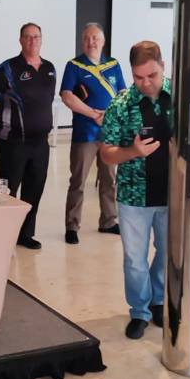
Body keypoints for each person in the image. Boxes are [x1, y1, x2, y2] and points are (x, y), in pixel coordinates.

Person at [99, 41, 173, 339]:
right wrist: (133, 151)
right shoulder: (120, 104)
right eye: (139, 77)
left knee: (168, 253)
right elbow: (106, 154)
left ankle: (159, 299)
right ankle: (140, 310)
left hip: (173, 193)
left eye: (152, 75)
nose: (146, 83)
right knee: (134, 259)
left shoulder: (181, 97)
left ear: (163, 66)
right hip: (133, 195)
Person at [0, 23, 57, 249]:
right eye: (28, 37)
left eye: (36, 36)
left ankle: (25, 234)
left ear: (41, 39)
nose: (32, 40)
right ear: (21, 40)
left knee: (34, 189)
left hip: (40, 143)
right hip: (13, 142)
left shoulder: (50, 69)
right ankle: (4, 233)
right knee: (9, 190)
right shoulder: (8, 68)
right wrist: (7, 119)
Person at [59, 23, 127, 245]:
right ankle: (72, 226)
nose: (91, 42)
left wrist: (109, 115)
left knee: (109, 179)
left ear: (103, 41)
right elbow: (67, 96)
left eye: (95, 38)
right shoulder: (74, 66)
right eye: (87, 38)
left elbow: (123, 94)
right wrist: (94, 115)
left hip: (109, 133)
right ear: (82, 41)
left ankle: (108, 221)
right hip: (85, 133)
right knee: (78, 180)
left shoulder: (113, 65)